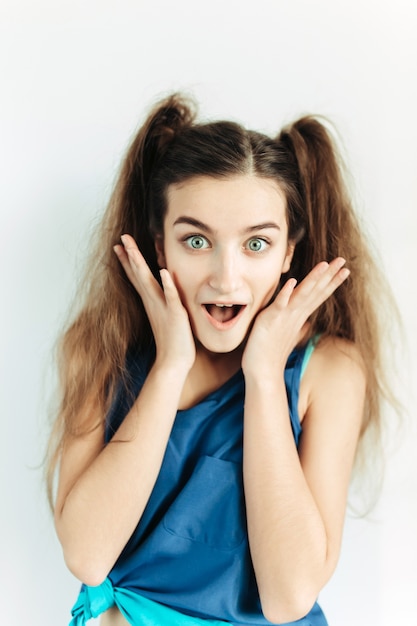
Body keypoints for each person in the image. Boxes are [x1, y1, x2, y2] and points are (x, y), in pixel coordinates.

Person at [46, 93, 395, 626]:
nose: (225, 278)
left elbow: (288, 597)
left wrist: (262, 376)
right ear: (159, 247)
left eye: (256, 245)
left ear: (288, 255)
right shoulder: (99, 350)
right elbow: (88, 557)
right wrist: (168, 367)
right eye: (195, 240)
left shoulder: (328, 372)